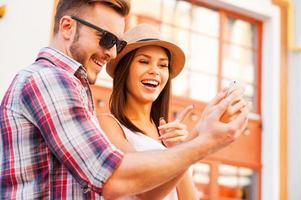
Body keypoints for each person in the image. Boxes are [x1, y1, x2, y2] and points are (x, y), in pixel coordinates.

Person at [0, 0, 250, 199]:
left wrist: (195, 139)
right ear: (67, 27)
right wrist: (204, 141)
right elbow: (114, 179)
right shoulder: (50, 80)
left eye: (117, 43)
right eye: (106, 39)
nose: (111, 52)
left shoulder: (71, 86)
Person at [99, 24, 199, 199]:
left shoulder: (168, 135)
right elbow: (140, 189)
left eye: (163, 65)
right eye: (144, 61)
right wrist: (186, 152)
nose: (155, 71)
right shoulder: (108, 125)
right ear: (125, 69)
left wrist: (181, 149)